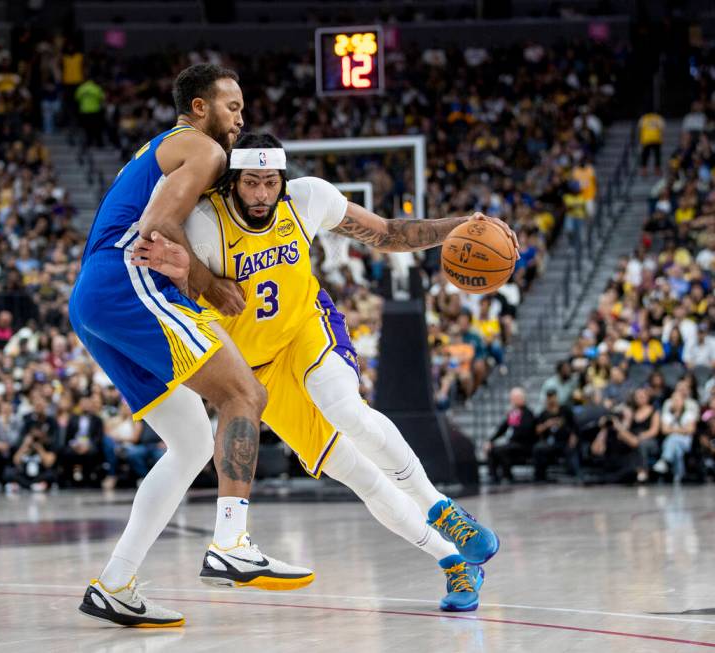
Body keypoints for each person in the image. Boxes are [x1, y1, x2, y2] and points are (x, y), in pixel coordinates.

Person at [133, 132, 516, 611]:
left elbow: (388, 233)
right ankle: (456, 563)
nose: (260, 194)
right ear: (233, 181)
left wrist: (462, 226)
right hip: (257, 369)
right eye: (250, 182)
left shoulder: (308, 197)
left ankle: (443, 510)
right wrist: (196, 279)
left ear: (282, 180)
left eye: (270, 182)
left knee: (344, 407)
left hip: (308, 328)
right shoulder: (205, 225)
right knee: (354, 473)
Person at [70, 65, 312, 628]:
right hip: (127, 281)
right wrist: (209, 283)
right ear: (200, 108)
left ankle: (116, 582)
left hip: (96, 297)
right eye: (233, 107)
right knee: (245, 394)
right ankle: (231, 541)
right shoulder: (203, 149)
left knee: (189, 442)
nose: (242, 118)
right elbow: (156, 223)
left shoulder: (163, 146)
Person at [486, 387, 536, 483]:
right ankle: (493, 476)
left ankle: (507, 476)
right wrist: (490, 440)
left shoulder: (528, 413)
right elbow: (503, 428)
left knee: (502, 450)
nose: (511, 401)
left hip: (524, 445)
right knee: (492, 449)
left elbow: (526, 432)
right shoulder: (513, 413)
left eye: (514, 398)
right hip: (513, 444)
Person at [532, 390, 580, 482]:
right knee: (538, 449)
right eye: (549, 398)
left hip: (565, 441)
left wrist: (573, 437)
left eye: (553, 398)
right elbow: (537, 430)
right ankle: (540, 477)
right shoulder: (544, 413)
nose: (551, 401)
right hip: (550, 442)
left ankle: (575, 475)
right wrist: (547, 424)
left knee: (571, 449)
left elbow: (575, 425)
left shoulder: (565, 410)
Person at [638, 110, 665, 176]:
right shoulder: (645, 118)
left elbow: (662, 128)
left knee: (656, 155)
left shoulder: (657, 118)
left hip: (655, 139)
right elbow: (640, 128)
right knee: (645, 155)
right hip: (647, 139)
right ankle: (644, 170)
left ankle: (656, 170)